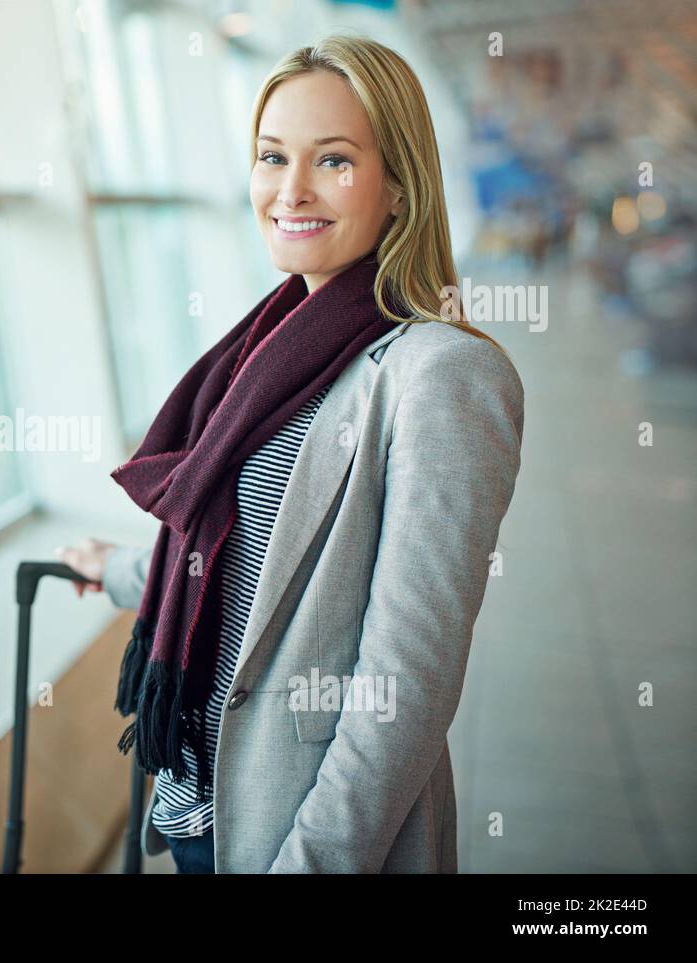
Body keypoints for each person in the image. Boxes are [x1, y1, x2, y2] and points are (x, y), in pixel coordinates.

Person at [56, 35, 524, 874]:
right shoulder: (264, 353)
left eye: (334, 160)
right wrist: (121, 569)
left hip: (299, 831)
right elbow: (241, 558)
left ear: (400, 188)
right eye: (272, 156)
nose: (291, 189)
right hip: (200, 807)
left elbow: (405, 687)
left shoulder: (442, 375)